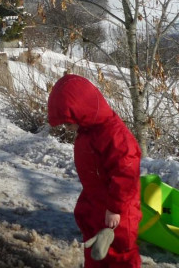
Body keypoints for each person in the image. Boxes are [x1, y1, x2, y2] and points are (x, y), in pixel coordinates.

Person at [48, 74, 142, 268]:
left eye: (68, 123)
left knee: (118, 253)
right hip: (97, 203)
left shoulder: (115, 136)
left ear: (82, 111)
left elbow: (126, 175)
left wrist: (115, 208)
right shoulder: (88, 131)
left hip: (119, 212)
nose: (67, 128)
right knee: (95, 251)